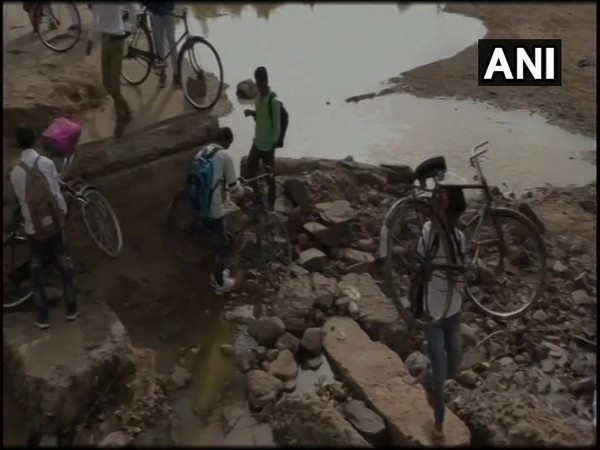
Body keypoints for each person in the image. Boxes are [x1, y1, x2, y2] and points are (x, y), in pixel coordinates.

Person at [10, 126, 77, 330]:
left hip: (34, 229)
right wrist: (63, 212)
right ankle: (72, 309)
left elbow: (23, 202)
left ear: (18, 144)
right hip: (54, 224)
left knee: (36, 270)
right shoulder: (46, 163)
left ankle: (43, 317)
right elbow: (55, 193)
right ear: (36, 140)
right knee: (63, 261)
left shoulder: (15, 173)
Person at [417, 186, 467, 442]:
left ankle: (425, 378)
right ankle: (439, 422)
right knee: (440, 368)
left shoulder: (459, 237)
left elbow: (462, 268)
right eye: (451, 215)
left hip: (454, 309)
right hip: (433, 311)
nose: (454, 221)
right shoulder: (429, 232)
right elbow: (420, 257)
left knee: (454, 364)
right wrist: (436, 219)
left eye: (456, 217)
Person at [191, 127, 250, 295]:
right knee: (222, 246)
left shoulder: (202, 152)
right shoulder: (225, 155)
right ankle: (218, 282)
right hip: (212, 207)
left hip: (196, 202)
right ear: (227, 142)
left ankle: (217, 273)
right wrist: (244, 191)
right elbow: (233, 189)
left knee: (215, 237)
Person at [86, 3, 139, 137]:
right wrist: (91, 39)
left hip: (117, 43)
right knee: (106, 84)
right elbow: (95, 20)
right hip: (105, 42)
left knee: (114, 86)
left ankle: (122, 114)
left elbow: (132, 8)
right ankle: (124, 110)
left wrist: (132, 28)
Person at [243, 66, 281, 210]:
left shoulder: (274, 102)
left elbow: (277, 127)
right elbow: (260, 117)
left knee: (270, 177)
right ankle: (258, 197)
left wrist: (274, 144)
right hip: (257, 142)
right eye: (257, 84)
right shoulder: (258, 98)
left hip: (268, 147)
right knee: (249, 171)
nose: (259, 87)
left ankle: (271, 205)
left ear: (266, 82)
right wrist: (252, 113)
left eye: (260, 84)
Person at [142, 2, 179, 88]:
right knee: (159, 43)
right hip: (156, 13)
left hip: (168, 11)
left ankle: (176, 74)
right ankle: (162, 74)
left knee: (172, 42)